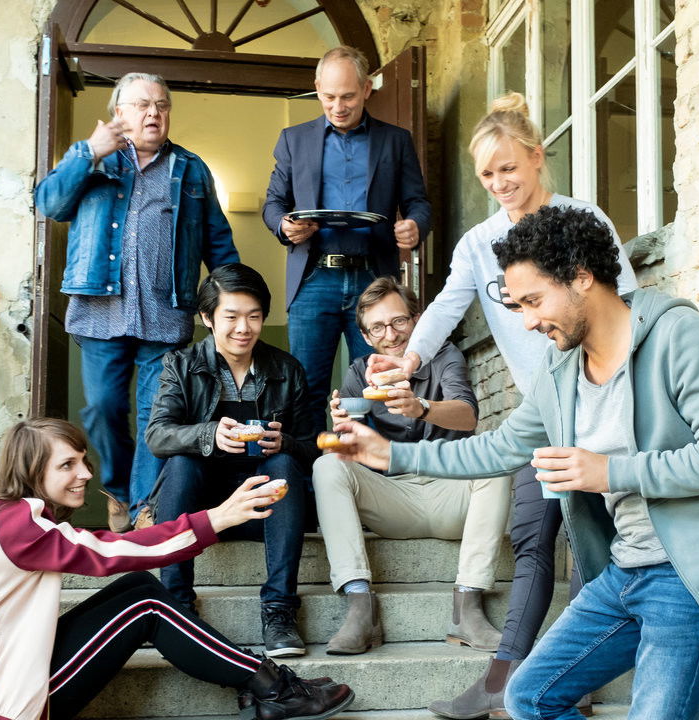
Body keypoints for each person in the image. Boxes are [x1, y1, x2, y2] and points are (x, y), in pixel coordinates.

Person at [333, 205, 699, 720]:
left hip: (694, 572)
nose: (527, 322)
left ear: (582, 277)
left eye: (533, 301)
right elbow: (499, 448)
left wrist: (608, 471)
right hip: (626, 569)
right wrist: (389, 453)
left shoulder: (678, 335)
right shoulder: (562, 365)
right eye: (517, 305)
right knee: (529, 697)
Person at [367, 93, 638, 719]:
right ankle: (501, 678)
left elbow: (627, 303)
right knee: (532, 536)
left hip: (599, 407)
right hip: (539, 413)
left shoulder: (582, 220)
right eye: (487, 174)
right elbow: (446, 306)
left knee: (588, 539)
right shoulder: (479, 241)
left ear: (538, 157)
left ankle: (577, 676)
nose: (499, 184)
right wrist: (409, 360)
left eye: (508, 168)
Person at [0, 417, 354, 720]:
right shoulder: (17, 526)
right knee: (146, 604)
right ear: (32, 472)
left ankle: (264, 684)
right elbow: (113, 551)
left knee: (139, 588)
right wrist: (217, 517)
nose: (85, 473)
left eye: (83, 460)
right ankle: (272, 687)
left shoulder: (4, 518)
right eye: (67, 465)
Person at [34, 72, 238, 532]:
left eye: (162, 105)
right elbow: (49, 204)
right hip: (99, 311)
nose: (154, 113)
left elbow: (218, 241)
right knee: (103, 409)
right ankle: (120, 491)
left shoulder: (191, 168)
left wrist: (229, 298)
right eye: (143, 105)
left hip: (166, 313)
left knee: (156, 415)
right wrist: (89, 152)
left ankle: (145, 506)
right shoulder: (92, 158)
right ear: (118, 113)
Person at [313, 277, 511, 656]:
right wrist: (341, 424)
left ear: (417, 320)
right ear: (366, 336)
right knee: (328, 464)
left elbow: (468, 415)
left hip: (452, 494)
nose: (391, 335)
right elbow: (350, 446)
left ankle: (468, 608)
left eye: (399, 321)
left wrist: (422, 407)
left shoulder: (445, 356)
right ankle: (360, 607)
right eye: (378, 328)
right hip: (395, 500)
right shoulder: (359, 372)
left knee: (496, 462)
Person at [146, 263, 316, 658]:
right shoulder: (181, 365)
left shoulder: (286, 369)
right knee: (182, 464)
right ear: (208, 318)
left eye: (254, 317)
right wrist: (208, 434)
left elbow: (313, 449)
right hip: (201, 510)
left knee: (283, 465)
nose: (244, 328)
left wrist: (285, 442)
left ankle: (279, 610)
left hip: (266, 512)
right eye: (232, 317)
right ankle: (176, 606)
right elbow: (157, 435)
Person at [263, 45, 432, 435]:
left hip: (373, 278)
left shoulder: (395, 140)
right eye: (329, 97)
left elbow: (418, 203)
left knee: (377, 385)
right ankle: (310, 472)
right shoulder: (293, 139)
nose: (337, 107)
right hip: (313, 278)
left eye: (348, 97)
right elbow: (274, 204)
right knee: (305, 391)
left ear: (367, 89)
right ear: (317, 87)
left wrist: (415, 226)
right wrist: (285, 226)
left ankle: (374, 468)